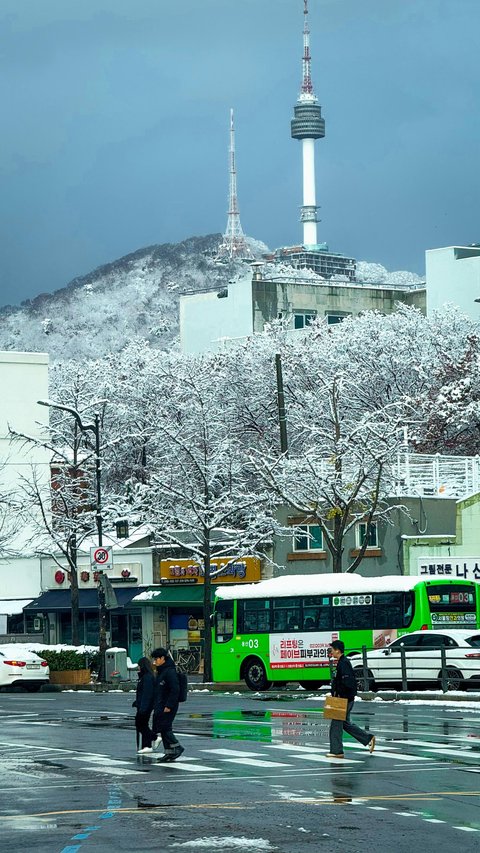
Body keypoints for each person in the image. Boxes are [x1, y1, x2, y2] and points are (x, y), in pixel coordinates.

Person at [326, 639, 375, 758]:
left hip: (343, 699)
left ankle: (337, 751)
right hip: (345, 698)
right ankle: (368, 738)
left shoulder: (343, 663)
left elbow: (347, 682)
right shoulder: (342, 662)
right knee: (345, 724)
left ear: (337, 650)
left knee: (336, 725)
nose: (331, 652)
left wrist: (339, 695)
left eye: (332, 649)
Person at [151, 647, 184, 762]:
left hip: (168, 705)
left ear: (163, 658)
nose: (155, 662)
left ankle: (177, 746)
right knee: (162, 727)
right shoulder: (162, 670)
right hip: (161, 704)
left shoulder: (169, 671)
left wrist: (169, 705)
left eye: (156, 659)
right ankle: (169, 752)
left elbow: (175, 689)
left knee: (165, 727)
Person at [133, 657, 156, 754]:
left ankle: (154, 738)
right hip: (143, 705)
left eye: (139, 665)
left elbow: (147, 694)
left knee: (140, 724)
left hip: (145, 706)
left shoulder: (147, 677)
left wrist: (143, 707)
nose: (138, 667)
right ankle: (147, 745)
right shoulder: (146, 676)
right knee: (143, 725)